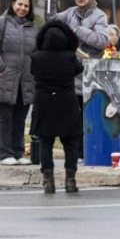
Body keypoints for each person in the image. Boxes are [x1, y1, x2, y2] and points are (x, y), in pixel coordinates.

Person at [45, 0, 109, 159]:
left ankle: (89, 151)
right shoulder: (70, 12)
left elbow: (102, 41)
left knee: (89, 116)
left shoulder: (100, 16)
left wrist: (77, 30)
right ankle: (75, 152)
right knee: (72, 117)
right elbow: (51, 21)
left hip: (90, 75)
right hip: (70, 74)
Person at [30, 20, 83, 193]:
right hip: (66, 102)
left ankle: (48, 182)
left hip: (43, 103)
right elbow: (78, 69)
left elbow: (33, 72)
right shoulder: (69, 56)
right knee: (70, 143)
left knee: (46, 142)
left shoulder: (36, 56)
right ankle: (70, 181)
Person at [0, 0, 37, 166]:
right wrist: (3, 69)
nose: (23, 8)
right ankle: (4, 153)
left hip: (26, 80)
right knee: (5, 117)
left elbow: (36, 53)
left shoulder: (33, 27)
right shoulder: (2, 22)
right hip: (5, 78)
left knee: (20, 118)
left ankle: (18, 151)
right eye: (20, 4)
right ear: (13, 3)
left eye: (26, 5)